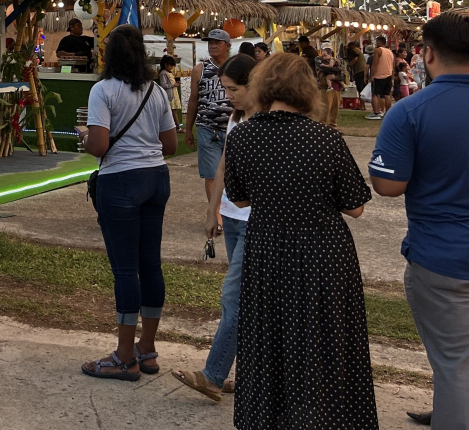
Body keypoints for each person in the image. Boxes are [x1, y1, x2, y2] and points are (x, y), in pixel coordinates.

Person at [369, 13, 469, 429]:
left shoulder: (410, 111)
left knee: (458, 372)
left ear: (428, 54)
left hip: (445, 259)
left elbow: (387, 186)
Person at [224, 52, 376, 429]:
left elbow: (239, 198)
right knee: (324, 340)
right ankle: (325, 417)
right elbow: (355, 207)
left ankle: (270, 417)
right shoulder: (325, 139)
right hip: (322, 253)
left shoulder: (243, 136)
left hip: (268, 249)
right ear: (306, 90)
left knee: (269, 338)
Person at [77, 25, 177, 380]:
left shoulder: (101, 91)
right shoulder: (156, 90)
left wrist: (85, 137)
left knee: (124, 270)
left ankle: (123, 356)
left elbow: (100, 146)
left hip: (119, 181)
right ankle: (146, 350)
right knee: (150, 265)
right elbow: (171, 145)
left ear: (109, 56)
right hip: (156, 178)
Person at [172, 53, 256, 401]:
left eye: (234, 89)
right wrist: (213, 209)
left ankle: (213, 374)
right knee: (247, 301)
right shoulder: (237, 117)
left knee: (234, 299)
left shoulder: (268, 122)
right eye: (224, 89)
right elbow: (223, 163)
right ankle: (247, 378)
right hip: (233, 219)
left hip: (255, 222)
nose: (228, 97)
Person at [184, 29, 233, 219]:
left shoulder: (236, 68)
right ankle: (216, 214)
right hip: (207, 128)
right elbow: (193, 100)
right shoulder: (200, 69)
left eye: (217, 42)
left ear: (227, 46)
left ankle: (232, 211)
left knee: (233, 174)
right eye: (210, 42)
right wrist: (188, 129)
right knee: (211, 174)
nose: (212, 45)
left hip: (233, 129)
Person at [315, 43, 344, 128]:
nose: (327, 51)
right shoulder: (318, 60)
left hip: (336, 86)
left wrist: (336, 74)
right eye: (325, 49)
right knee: (325, 108)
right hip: (325, 87)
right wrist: (337, 69)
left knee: (335, 108)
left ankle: (333, 126)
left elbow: (341, 73)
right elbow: (324, 69)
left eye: (328, 49)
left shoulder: (336, 60)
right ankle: (322, 126)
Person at [367, 36, 394, 120]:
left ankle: (376, 112)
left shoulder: (378, 50)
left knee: (375, 94)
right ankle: (388, 112)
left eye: (376, 41)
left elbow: (374, 64)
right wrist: (392, 76)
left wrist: (372, 75)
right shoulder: (390, 52)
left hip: (379, 75)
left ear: (379, 41)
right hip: (388, 74)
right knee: (387, 95)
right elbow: (393, 65)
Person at [157, 55, 181, 130]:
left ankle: (175, 127)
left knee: (174, 111)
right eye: (171, 65)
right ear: (166, 64)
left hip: (172, 94)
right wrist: (173, 85)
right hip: (169, 95)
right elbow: (163, 85)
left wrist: (175, 84)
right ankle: (178, 127)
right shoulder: (163, 73)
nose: (172, 67)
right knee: (173, 111)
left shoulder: (168, 72)